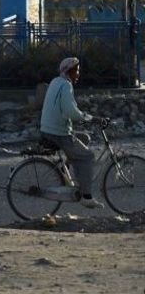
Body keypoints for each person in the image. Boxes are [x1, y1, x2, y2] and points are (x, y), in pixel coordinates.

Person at [39, 57, 103, 209]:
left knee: (84, 138)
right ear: (70, 71)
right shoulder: (66, 85)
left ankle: (64, 168)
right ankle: (86, 197)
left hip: (47, 130)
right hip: (58, 134)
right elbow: (71, 112)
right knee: (88, 156)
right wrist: (91, 118)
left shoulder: (55, 81)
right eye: (77, 71)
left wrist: (81, 118)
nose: (78, 74)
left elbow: (64, 110)